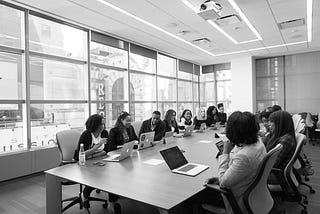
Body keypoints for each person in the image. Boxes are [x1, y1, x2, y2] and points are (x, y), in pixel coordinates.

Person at [190, 111, 266, 214]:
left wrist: (225, 153)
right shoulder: (258, 143)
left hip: (236, 199)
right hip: (252, 192)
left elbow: (223, 183)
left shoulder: (244, 156)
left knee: (192, 196)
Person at [74, 114, 121, 214]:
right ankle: (84, 194)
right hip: (84, 164)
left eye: (104, 124)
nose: (103, 127)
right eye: (101, 124)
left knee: (112, 176)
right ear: (94, 125)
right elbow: (81, 154)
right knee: (97, 177)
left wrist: (91, 155)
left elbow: (106, 151)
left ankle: (112, 203)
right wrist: (97, 146)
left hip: (98, 160)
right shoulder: (86, 134)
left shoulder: (104, 133)